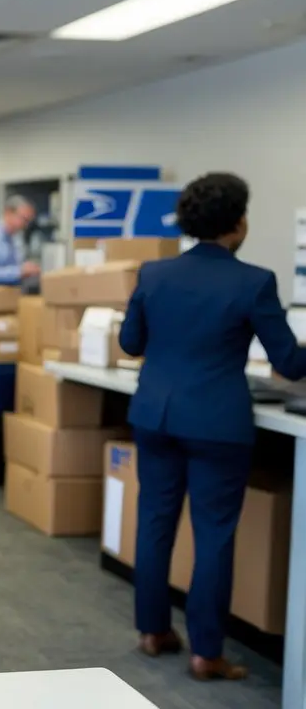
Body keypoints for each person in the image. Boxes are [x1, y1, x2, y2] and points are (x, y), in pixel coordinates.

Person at [119, 172, 306, 681]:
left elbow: (131, 344)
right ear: (239, 222)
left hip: (155, 415)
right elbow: (289, 362)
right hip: (216, 426)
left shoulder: (153, 274)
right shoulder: (254, 281)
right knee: (214, 536)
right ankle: (206, 653)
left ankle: (152, 632)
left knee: (155, 525)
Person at [0, 195, 39, 285]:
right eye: (24, 219)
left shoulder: (16, 239)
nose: (26, 225)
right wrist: (19, 271)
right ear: (8, 213)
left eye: (28, 221)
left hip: (8, 294)